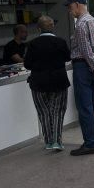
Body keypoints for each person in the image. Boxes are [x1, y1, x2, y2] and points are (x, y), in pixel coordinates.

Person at [66, 0, 94, 156]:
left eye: (70, 7)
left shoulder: (81, 24)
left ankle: (90, 143)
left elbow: (85, 50)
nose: (70, 12)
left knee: (85, 106)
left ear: (77, 5)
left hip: (84, 67)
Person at [24, 16, 71, 151]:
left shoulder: (32, 44)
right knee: (58, 111)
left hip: (38, 82)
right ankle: (57, 141)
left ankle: (48, 141)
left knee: (43, 111)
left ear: (39, 28)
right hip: (59, 81)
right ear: (52, 26)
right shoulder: (61, 42)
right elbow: (68, 57)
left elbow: (27, 64)